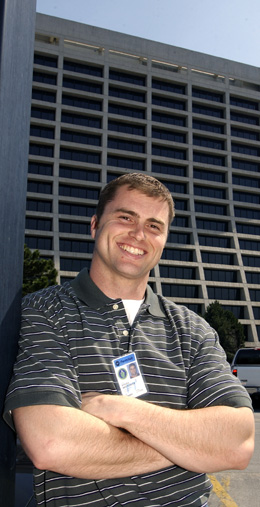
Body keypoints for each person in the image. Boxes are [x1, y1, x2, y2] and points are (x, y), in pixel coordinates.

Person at [4, 173, 255, 507]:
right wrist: (189, 446)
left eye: (154, 226)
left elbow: (237, 442)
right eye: (125, 217)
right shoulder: (44, 311)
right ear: (95, 225)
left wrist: (119, 409)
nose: (139, 234)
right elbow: (51, 443)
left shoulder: (193, 330)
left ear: (164, 240)